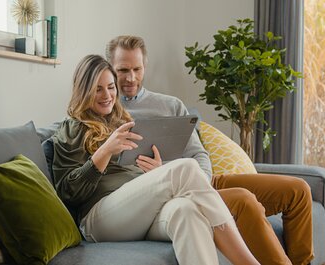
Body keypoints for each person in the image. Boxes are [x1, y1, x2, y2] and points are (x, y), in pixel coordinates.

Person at [105, 35, 314, 265]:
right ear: (110, 69)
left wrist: (203, 182)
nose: (131, 77)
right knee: (243, 200)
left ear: (145, 66)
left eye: (137, 68)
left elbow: (199, 154)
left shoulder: (170, 104)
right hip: (171, 192)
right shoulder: (105, 112)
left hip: (203, 181)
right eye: (123, 70)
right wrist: (161, 172)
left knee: (298, 190)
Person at [52, 54, 260, 265]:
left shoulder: (122, 121)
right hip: (99, 218)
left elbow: (137, 176)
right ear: (84, 91)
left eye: (111, 87)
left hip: (138, 210)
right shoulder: (73, 128)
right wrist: (104, 152)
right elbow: (68, 192)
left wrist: (156, 171)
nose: (107, 95)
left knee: (186, 211)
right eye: (98, 89)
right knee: (186, 167)